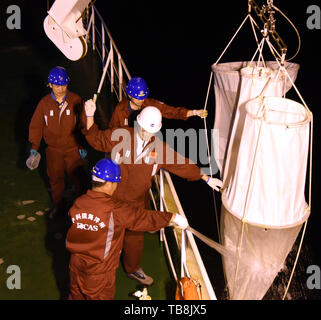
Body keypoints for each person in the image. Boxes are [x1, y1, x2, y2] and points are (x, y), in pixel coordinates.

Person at [83, 100, 222, 286]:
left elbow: (181, 164)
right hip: (111, 200)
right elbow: (96, 140)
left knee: (135, 240)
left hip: (136, 202)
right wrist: (89, 115)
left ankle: (132, 269)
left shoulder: (159, 148)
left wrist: (205, 178)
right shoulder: (120, 136)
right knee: (107, 237)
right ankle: (100, 268)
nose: (146, 133)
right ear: (137, 122)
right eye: (143, 128)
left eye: (151, 130)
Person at [66, 158, 188, 300]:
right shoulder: (114, 209)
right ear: (110, 183)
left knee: (75, 295)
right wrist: (172, 217)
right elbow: (142, 218)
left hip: (75, 265)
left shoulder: (79, 203)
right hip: (99, 272)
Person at [28, 66, 89, 218]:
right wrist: (34, 147)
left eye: (63, 85)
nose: (60, 89)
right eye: (56, 85)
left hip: (72, 149)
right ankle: (59, 207)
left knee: (78, 179)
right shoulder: (44, 103)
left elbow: (83, 125)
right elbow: (36, 125)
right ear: (50, 85)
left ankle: (81, 209)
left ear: (67, 84)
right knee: (55, 180)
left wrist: (82, 145)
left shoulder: (75, 100)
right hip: (53, 150)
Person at [108, 77, 208, 128]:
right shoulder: (120, 110)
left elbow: (170, 111)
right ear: (129, 95)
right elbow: (112, 132)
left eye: (143, 97)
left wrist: (194, 112)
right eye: (138, 98)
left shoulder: (149, 104)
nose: (141, 100)